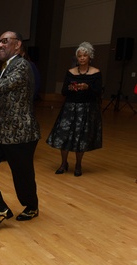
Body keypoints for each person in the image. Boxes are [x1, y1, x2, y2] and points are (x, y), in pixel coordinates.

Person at [0, 31, 41, 230]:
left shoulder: (21, 64)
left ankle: (32, 206)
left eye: (5, 41)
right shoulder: (7, 66)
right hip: (1, 130)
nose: (0, 45)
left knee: (23, 175)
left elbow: (4, 86)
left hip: (20, 132)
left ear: (18, 44)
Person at [46, 42, 102, 177]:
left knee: (81, 138)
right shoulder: (70, 72)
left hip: (86, 109)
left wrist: (87, 87)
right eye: (79, 56)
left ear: (90, 57)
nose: (82, 58)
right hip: (70, 108)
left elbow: (98, 92)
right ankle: (64, 163)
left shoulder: (96, 73)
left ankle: (78, 164)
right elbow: (64, 91)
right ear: (76, 58)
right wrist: (71, 88)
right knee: (63, 135)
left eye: (85, 55)